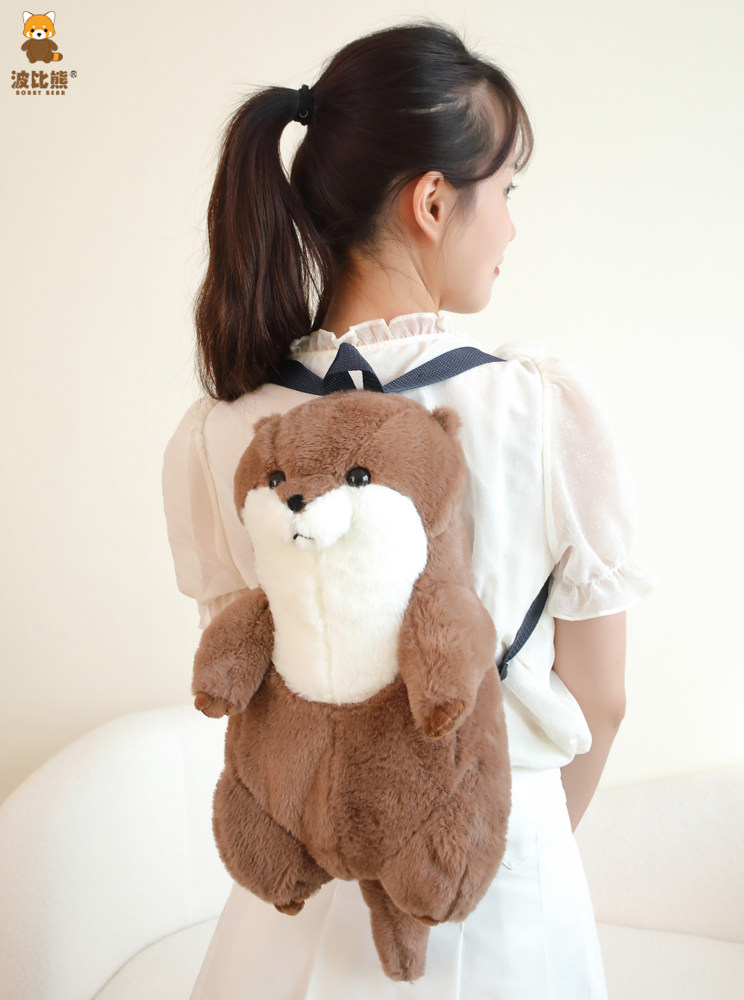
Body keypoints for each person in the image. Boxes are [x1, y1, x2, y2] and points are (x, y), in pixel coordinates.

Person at [162, 19, 655, 999]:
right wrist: (510, 844)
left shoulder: (220, 430)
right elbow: (602, 699)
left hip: (294, 906)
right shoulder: (540, 409)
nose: (509, 226)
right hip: (496, 882)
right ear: (432, 201)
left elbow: (253, 686)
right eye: (504, 191)